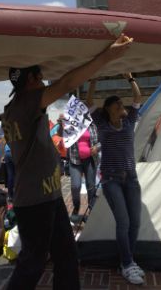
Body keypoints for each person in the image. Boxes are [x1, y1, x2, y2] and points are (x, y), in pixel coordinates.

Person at [2, 32, 133, 290]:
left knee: (66, 256)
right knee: (33, 263)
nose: (44, 82)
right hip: (36, 200)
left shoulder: (11, 108)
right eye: (40, 77)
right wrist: (108, 56)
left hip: (47, 195)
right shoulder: (28, 102)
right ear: (32, 79)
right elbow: (67, 82)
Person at [90, 73, 146, 285]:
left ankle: (127, 261)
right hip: (111, 180)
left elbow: (138, 98)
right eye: (118, 104)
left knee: (135, 223)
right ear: (109, 109)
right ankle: (127, 264)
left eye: (122, 104)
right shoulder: (101, 123)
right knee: (123, 222)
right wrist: (93, 81)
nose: (122, 106)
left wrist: (131, 79)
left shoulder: (129, 120)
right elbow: (89, 102)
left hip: (131, 179)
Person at [66, 80, 101, 224]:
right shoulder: (71, 123)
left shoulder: (93, 123)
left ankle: (92, 209)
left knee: (91, 186)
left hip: (90, 160)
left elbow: (102, 139)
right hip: (75, 160)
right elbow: (62, 136)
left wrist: (97, 147)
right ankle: (76, 206)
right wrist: (62, 125)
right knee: (75, 186)